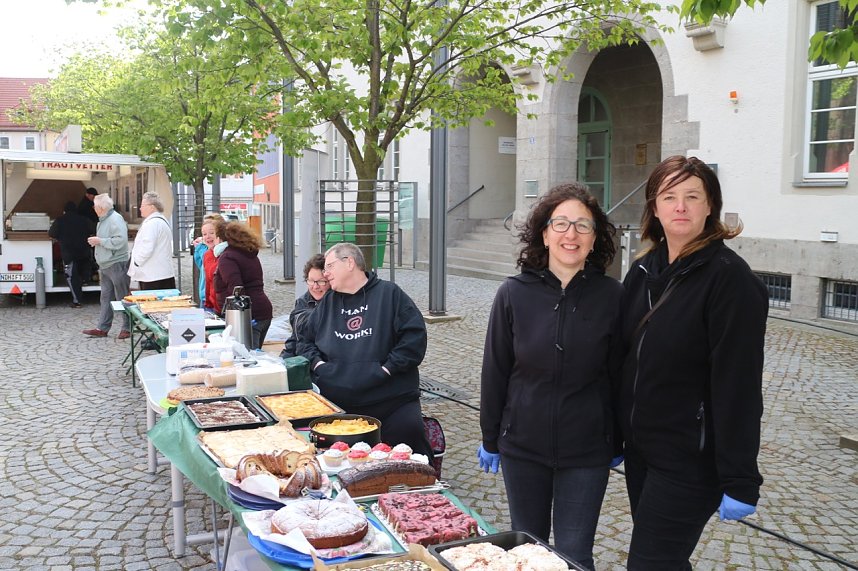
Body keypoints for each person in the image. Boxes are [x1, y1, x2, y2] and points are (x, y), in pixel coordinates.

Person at [618, 156, 768, 570]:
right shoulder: (643, 271)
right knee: (665, 561)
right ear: (654, 207)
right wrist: (615, 433)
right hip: (642, 451)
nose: (680, 206)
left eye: (692, 196)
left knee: (649, 564)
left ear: (709, 207)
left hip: (689, 460)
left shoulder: (731, 281)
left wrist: (740, 478)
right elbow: (625, 361)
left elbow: (738, 385)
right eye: (669, 196)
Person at [477, 183, 623, 570]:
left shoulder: (613, 297)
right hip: (522, 446)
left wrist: (619, 437)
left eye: (582, 225)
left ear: (595, 238)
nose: (570, 234)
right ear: (544, 233)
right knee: (529, 551)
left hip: (586, 450)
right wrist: (490, 436)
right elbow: (495, 370)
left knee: (575, 556)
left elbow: (622, 376)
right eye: (560, 223)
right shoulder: (513, 293)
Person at [300, 243, 433, 459]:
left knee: (410, 451)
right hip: (339, 407)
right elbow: (304, 341)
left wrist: (387, 369)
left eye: (330, 266)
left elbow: (414, 338)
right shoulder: (328, 303)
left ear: (350, 263)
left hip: (392, 402)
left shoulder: (390, 294)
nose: (325, 273)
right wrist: (319, 366)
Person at [213, 221, 273, 349]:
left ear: (219, 238)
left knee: (249, 359)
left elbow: (236, 290)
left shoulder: (227, 257)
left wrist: (241, 319)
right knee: (255, 355)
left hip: (249, 316)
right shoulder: (247, 253)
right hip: (262, 311)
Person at [82, 194, 131, 339]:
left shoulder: (115, 219)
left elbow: (121, 241)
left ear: (101, 208)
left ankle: (127, 328)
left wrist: (100, 241)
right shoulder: (103, 220)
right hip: (106, 264)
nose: (93, 208)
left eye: (95, 206)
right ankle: (102, 328)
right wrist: (100, 242)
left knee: (123, 297)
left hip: (116, 263)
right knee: (106, 297)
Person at [281, 254, 331, 359]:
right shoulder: (302, 302)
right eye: (311, 281)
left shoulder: (338, 304)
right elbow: (296, 338)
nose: (315, 286)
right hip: (308, 358)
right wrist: (283, 361)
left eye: (321, 282)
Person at [49, 201, 95, 308]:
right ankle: (86, 282)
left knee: (72, 277)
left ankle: (77, 301)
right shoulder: (84, 220)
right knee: (83, 273)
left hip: (69, 254)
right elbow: (93, 230)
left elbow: (51, 234)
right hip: (84, 252)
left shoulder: (60, 221)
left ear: (64, 211)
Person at [128, 191, 176, 291]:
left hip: (152, 276)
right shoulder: (159, 221)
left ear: (152, 207)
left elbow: (147, 248)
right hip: (159, 274)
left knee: (153, 305)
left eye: (142, 205)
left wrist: (137, 262)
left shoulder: (152, 224)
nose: (140, 208)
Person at [192, 213, 224, 307]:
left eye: (211, 233)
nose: (207, 236)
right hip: (206, 298)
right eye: (204, 234)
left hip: (217, 301)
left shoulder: (224, 254)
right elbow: (200, 264)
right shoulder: (206, 251)